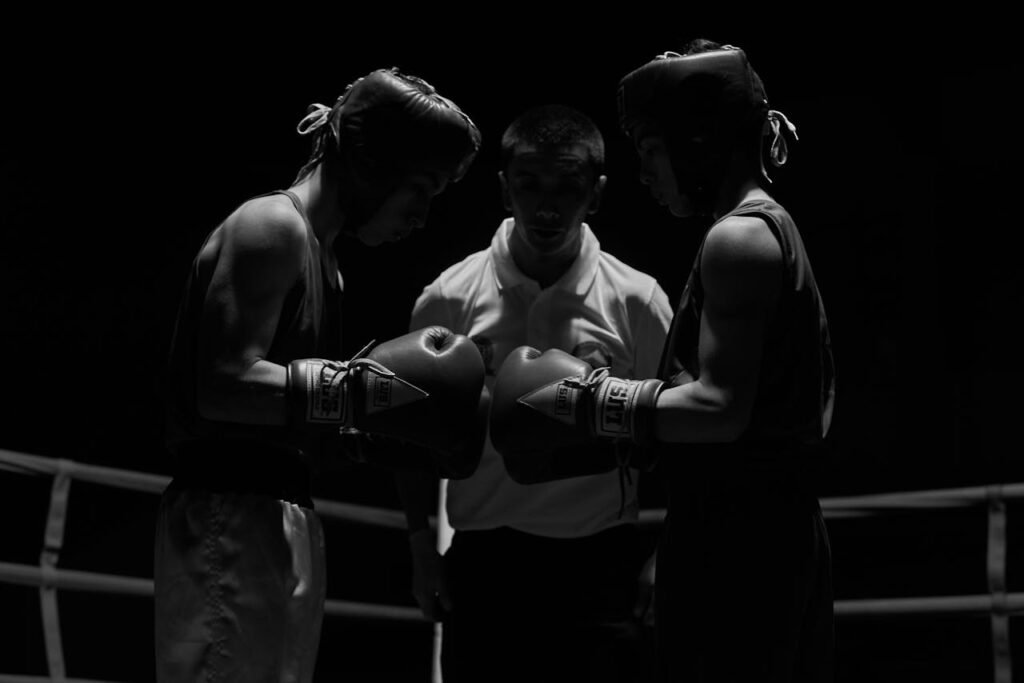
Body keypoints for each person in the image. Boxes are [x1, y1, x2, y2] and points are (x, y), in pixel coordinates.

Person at [489, 41, 836, 682]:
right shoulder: (756, 229)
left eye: (651, 150)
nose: (643, 172)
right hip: (752, 525)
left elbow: (718, 409)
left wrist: (586, 400)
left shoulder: (740, 238)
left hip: (742, 539)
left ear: (697, 143)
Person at [154, 67, 484, 683]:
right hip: (228, 511)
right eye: (421, 189)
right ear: (368, 162)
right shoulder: (269, 227)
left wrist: (377, 428)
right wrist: (362, 394)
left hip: (281, 511)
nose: (423, 214)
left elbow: (301, 409)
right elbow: (223, 384)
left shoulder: (326, 263)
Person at [394, 104, 673, 682]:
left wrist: (664, 556)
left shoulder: (639, 302)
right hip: (484, 560)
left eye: (567, 187)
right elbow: (412, 435)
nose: (546, 206)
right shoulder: (449, 296)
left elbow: (683, 439)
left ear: (594, 195)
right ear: (504, 188)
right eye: (528, 184)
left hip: (599, 562)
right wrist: (422, 547)